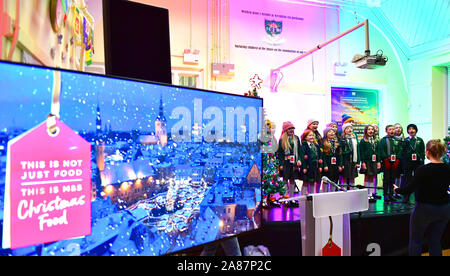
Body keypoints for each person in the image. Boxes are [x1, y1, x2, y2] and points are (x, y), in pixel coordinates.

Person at [395, 139, 450, 256]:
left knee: (416, 241)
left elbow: (409, 189)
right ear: (442, 152)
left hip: (424, 210)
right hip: (444, 209)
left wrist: (397, 189)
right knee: (435, 241)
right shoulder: (447, 168)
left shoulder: (422, 170)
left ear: (427, 152)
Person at [277, 121, 303, 204]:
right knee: (285, 179)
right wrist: (280, 164)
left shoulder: (296, 138)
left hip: (294, 162)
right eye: (289, 129)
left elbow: (299, 150)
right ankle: (285, 197)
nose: (291, 130)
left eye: (292, 128)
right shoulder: (282, 139)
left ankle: (291, 197)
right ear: (285, 130)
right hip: (285, 162)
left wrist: (299, 159)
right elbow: (280, 153)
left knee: (292, 179)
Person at [401, 124, 425, 204]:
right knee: (407, 179)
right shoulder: (405, 140)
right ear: (408, 131)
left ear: (416, 130)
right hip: (408, 163)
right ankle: (406, 197)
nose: (411, 130)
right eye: (410, 129)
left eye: (413, 129)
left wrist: (422, 160)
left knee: (418, 178)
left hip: (418, 163)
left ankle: (418, 196)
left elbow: (422, 151)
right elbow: (403, 152)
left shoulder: (420, 140)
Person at [379, 125, 403, 203]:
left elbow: (400, 150)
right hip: (386, 163)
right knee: (386, 179)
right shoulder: (383, 140)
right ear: (386, 131)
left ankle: (391, 194)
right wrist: (386, 159)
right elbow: (381, 150)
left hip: (395, 163)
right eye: (390, 129)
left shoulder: (397, 140)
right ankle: (385, 195)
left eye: (393, 129)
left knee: (392, 179)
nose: (392, 131)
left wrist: (397, 160)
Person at [359, 125, 381, 202]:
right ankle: (366, 194)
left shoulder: (376, 141)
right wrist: (363, 162)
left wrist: (378, 161)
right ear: (366, 131)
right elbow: (361, 152)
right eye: (369, 129)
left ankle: (371, 194)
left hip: (374, 161)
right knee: (367, 177)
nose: (371, 131)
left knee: (372, 177)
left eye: (372, 129)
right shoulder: (363, 141)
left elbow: (378, 152)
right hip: (367, 161)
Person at [301, 129, 323, 194]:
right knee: (305, 182)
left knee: (313, 181)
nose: (312, 137)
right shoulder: (304, 147)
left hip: (315, 166)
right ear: (305, 137)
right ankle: (303, 195)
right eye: (309, 135)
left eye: (313, 135)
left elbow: (320, 156)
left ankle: (312, 195)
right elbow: (302, 158)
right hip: (308, 167)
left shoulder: (316, 146)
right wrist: (304, 167)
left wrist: (320, 166)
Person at [339, 123, 360, 190]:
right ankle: (344, 190)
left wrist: (358, 162)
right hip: (346, 161)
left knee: (352, 177)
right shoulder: (342, 140)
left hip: (353, 161)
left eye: (350, 128)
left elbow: (358, 151)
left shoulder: (354, 139)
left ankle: (352, 190)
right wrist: (341, 164)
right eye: (347, 128)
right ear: (344, 130)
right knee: (344, 177)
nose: (349, 129)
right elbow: (340, 153)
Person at [322, 127, 343, 192]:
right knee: (327, 179)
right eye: (329, 132)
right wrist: (325, 165)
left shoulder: (336, 143)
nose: (332, 133)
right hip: (328, 165)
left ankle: (333, 193)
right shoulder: (324, 144)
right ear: (326, 134)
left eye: (333, 132)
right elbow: (322, 156)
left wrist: (340, 165)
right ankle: (324, 193)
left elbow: (340, 155)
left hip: (335, 165)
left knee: (334, 179)